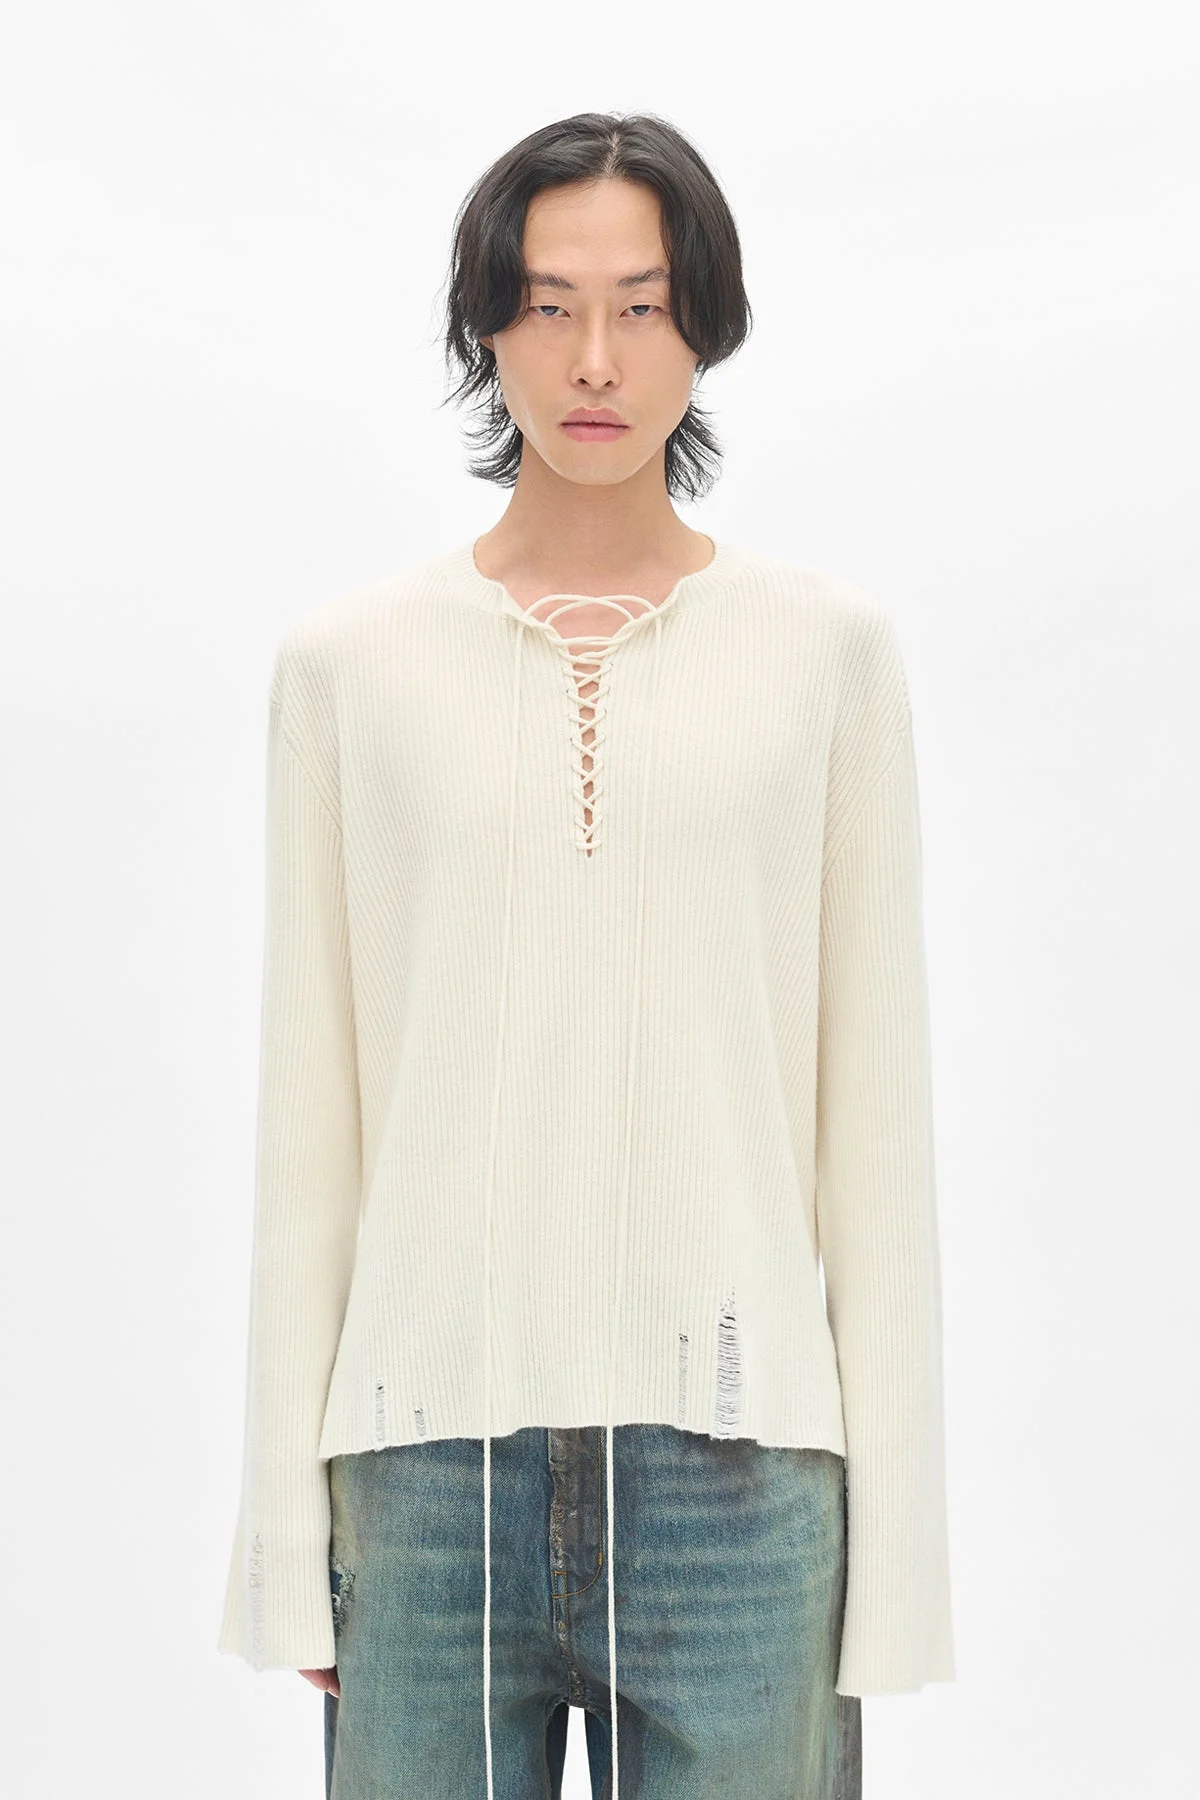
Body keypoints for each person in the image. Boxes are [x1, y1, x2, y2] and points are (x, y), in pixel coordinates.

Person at [217, 110, 955, 1799]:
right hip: (421, 1482)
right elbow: (309, 1131)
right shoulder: (348, 670)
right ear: (488, 330)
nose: (597, 360)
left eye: (643, 305)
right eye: (550, 307)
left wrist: (897, 1564)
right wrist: (282, 1535)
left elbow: (877, 1138)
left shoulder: (830, 658)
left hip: (743, 1484)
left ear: (707, 326)